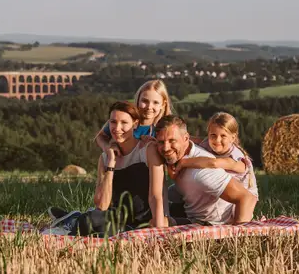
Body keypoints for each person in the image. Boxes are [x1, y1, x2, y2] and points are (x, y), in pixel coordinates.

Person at [45, 101, 169, 236]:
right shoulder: (104, 159)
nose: (117, 128)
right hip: (116, 219)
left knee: (98, 230)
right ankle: (74, 224)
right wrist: (111, 163)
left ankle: (72, 223)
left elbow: (156, 195)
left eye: (124, 123)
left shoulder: (147, 151)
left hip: (143, 220)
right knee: (91, 221)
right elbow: (102, 206)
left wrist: (158, 229)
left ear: (135, 124)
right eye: (113, 122)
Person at [155, 115, 257, 225]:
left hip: (211, 224)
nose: (165, 147)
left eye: (172, 141)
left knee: (161, 222)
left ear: (185, 139)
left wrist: (238, 235)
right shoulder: (184, 152)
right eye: (161, 142)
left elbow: (247, 198)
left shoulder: (204, 171)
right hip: (192, 212)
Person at [171, 112, 258, 197]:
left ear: (233, 138)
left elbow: (214, 163)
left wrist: (183, 163)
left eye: (223, 136)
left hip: (243, 198)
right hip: (220, 194)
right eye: (213, 135)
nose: (217, 140)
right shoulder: (206, 144)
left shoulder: (236, 158)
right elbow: (190, 140)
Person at [95, 80, 173, 157]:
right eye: (145, 101)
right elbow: (101, 136)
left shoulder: (163, 128)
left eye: (155, 102)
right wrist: (107, 147)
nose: (149, 107)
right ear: (138, 99)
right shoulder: (124, 118)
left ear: (163, 104)